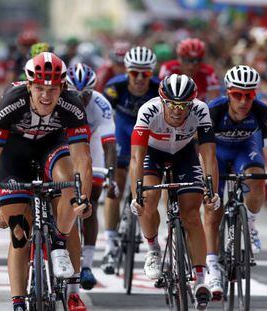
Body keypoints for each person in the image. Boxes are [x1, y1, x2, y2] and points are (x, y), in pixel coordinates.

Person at [0, 52, 92, 311]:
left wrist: (82, 197)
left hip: (52, 148)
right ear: (29, 85)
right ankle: (18, 301)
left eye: (53, 89)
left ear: (62, 87)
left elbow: (82, 159)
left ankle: (60, 240)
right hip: (15, 153)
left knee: (68, 183)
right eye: (40, 88)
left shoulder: (72, 103)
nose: (46, 95)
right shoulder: (12, 101)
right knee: (18, 230)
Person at [129, 73, 220, 310]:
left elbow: (208, 154)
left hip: (184, 153)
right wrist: (135, 194)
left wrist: (213, 191)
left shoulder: (201, 111)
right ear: (162, 101)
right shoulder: (148, 111)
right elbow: (136, 158)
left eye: (183, 106)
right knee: (148, 200)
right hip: (153, 154)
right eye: (172, 105)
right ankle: (153, 250)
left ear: (191, 104)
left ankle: (200, 279)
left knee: (191, 214)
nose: (178, 111)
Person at [205, 65, 267, 299]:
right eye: (238, 94)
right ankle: (212, 266)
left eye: (249, 95)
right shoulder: (212, 112)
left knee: (256, 177)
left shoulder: (262, 112)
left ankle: (250, 224)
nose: (244, 101)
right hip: (216, 152)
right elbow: (203, 152)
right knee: (212, 207)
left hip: (244, 150)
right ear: (227, 93)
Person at [101, 46, 160, 274]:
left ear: (151, 74)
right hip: (123, 132)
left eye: (144, 74)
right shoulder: (114, 87)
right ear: (127, 72)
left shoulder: (158, 89)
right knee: (116, 183)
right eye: (134, 73)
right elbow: (105, 119)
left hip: (148, 134)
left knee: (147, 185)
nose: (138, 79)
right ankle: (110, 241)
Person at [66, 63, 117, 290]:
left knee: (91, 201)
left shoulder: (101, 104)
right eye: (75, 94)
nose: (80, 99)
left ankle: (86, 265)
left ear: (93, 91)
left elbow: (109, 145)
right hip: (64, 143)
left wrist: (111, 175)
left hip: (91, 144)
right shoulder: (58, 100)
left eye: (85, 94)